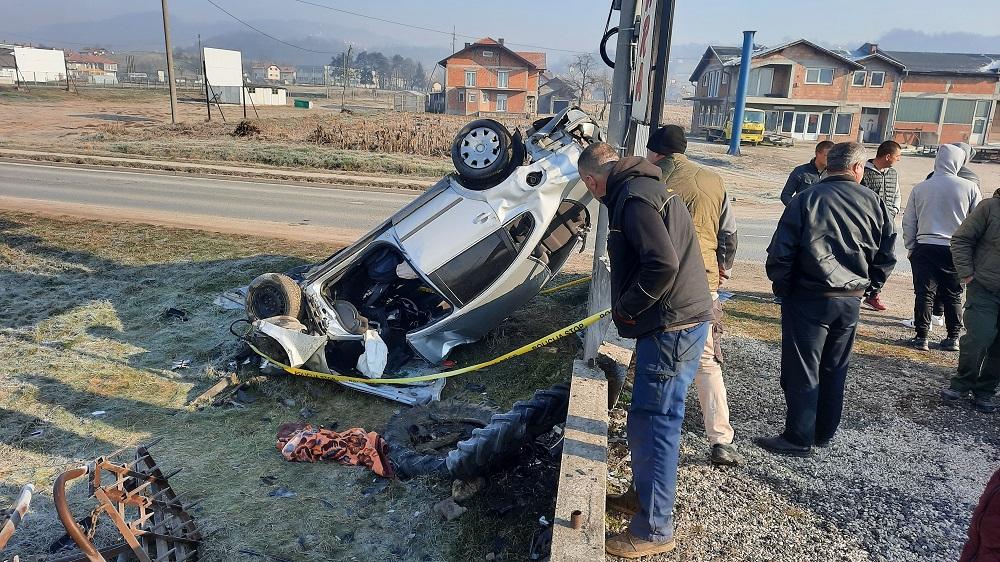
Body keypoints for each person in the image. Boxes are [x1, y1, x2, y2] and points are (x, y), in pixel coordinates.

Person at [577, 142, 713, 558]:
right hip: (675, 322)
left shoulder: (633, 199)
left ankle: (655, 528)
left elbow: (662, 264)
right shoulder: (643, 186)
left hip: (672, 326)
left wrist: (627, 307)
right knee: (644, 418)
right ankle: (643, 497)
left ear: (591, 181)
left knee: (655, 424)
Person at [759, 142, 896, 455]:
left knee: (803, 367)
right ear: (858, 168)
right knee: (835, 367)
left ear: (827, 165)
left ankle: (799, 437)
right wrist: (870, 287)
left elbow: (781, 252)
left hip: (809, 295)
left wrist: (783, 287)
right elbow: (886, 252)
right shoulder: (874, 202)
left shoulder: (807, 199)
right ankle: (823, 432)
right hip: (850, 298)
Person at [644, 124, 739, 466]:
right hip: (704, 283)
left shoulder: (650, 180)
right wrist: (722, 267)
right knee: (706, 361)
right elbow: (728, 233)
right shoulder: (714, 180)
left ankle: (658, 430)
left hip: (660, 284)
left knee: (657, 355)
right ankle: (721, 440)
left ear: (655, 151)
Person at [901, 145, 982, 351]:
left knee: (924, 293)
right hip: (956, 248)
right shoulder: (970, 187)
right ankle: (953, 338)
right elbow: (977, 222)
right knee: (954, 294)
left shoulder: (921, 187)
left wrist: (910, 245)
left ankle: (921, 337)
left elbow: (909, 220)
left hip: (925, 246)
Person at [944, 186, 1000, 412]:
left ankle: (985, 390)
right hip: (985, 288)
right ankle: (962, 382)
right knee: (979, 338)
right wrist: (966, 273)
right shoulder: (989, 207)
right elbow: (960, 239)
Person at [860, 140, 902, 311]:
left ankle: (873, 292)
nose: (899, 160)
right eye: (897, 156)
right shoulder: (863, 172)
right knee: (865, 257)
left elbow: (897, 193)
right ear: (888, 156)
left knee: (886, 258)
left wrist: (895, 209)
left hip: (888, 224)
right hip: (867, 224)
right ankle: (859, 291)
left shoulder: (893, 173)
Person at [780, 140, 834, 205]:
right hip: (805, 212)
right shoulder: (801, 171)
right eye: (827, 156)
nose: (831, 158)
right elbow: (785, 195)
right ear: (817, 153)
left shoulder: (835, 173)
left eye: (833, 156)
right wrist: (797, 209)